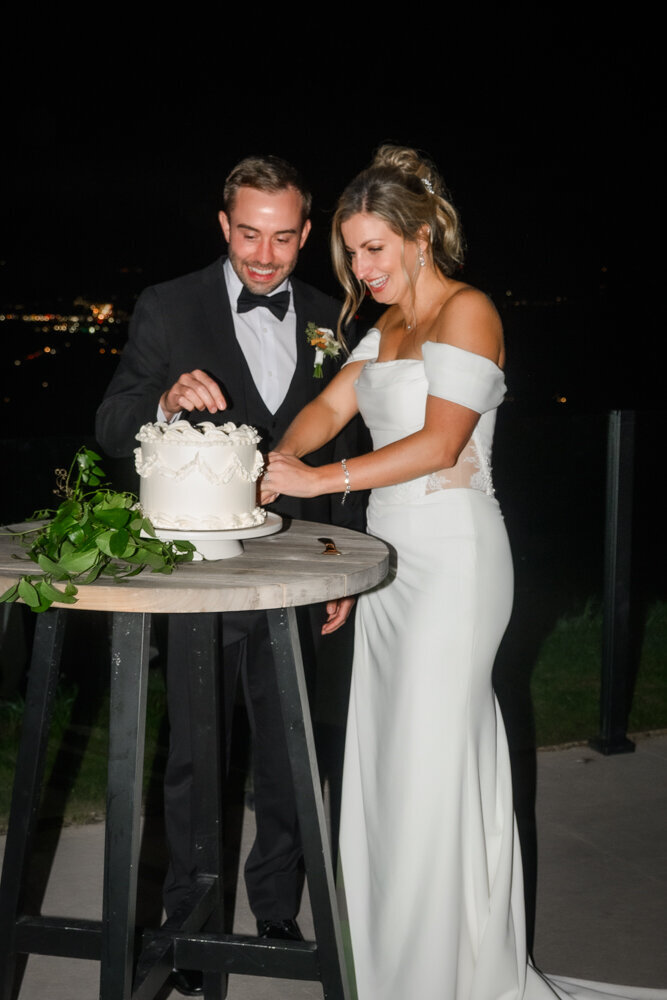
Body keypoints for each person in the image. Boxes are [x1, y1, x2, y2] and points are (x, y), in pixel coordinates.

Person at [262, 147, 667, 1000]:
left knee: (433, 761)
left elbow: (442, 444)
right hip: (387, 565)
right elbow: (331, 408)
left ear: (419, 237)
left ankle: (451, 971)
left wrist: (319, 480)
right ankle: (395, 966)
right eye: (351, 253)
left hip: (453, 562)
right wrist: (271, 460)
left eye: (374, 249)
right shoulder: (385, 326)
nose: (361, 268)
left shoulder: (466, 311)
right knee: (386, 768)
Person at [95, 155, 366, 997]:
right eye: (248, 233)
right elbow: (111, 421)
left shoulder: (333, 316)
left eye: (283, 237)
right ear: (223, 224)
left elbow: (352, 450)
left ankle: (277, 907)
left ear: (304, 234)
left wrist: (347, 570)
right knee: (194, 756)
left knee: (291, 752)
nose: (264, 254)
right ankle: (187, 923)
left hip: (301, 573)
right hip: (198, 573)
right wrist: (164, 403)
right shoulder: (168, 307)